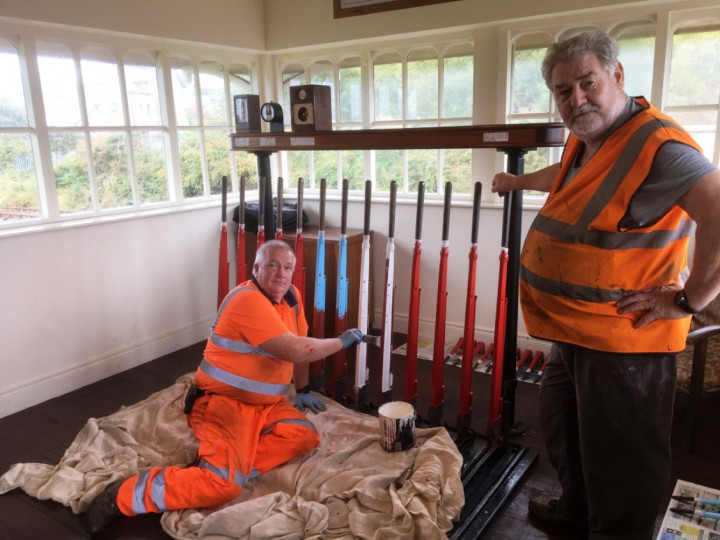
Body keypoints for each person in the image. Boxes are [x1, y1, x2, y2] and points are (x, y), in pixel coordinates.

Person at [492, 30, 720, 539]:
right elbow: (569, 174)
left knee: (623, 465)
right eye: (563, 90)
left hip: (626, 342)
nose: (576, 99)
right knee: (568, 436)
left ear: (616, 76)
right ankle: (579, 513)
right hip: (574, 332)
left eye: (587, 83)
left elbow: (718, 209)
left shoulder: (658, 144)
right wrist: (516, 182)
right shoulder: (593, 134)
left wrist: (688, 300)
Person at [84, 239, 363, 535]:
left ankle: (214, 467)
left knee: (304, 436)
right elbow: (296, 349)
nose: (281, 273)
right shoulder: (247, 299)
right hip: (222, 403)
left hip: (265, 406)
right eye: (272, 265)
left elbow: (302, 342)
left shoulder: (291, 298)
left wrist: (304, 390)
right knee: (224, 487)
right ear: (256, 268)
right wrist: (342, 341)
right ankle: (123, 496)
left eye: (287, 267)